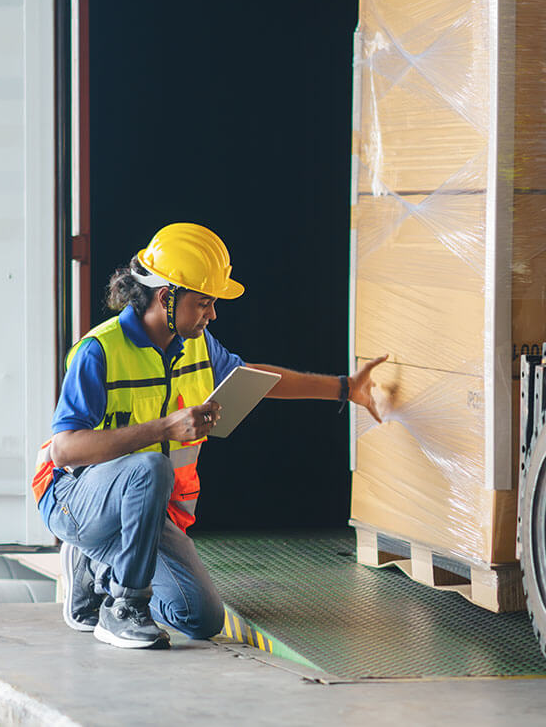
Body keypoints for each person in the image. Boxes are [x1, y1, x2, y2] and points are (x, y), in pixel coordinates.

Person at [29, 223, 387, 649]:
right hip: (71, 501)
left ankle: (103, 568)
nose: (211, 314)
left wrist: (345, 388)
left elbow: (257, 380)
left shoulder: (196, 344)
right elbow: (66, 449)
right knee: (150, 464)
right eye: (203, 303)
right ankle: (121, 607)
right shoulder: (99, 351)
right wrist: (165, 428)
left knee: (199, 618)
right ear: (166, 298)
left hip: (145, 512)